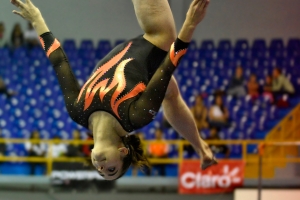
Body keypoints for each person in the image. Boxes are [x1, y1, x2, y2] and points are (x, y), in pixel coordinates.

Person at [10, 0, 217, 180]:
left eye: (100, 171)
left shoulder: (78, 111)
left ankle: (201, 146)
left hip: (143, 66)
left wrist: (36, 19)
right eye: (111, 169)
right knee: (169, 92)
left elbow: (59, 62)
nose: (101, 167)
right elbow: (167, 66)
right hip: (158, 39)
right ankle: (200, 146)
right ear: (123, 151)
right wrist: (190, 24)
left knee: (171, 96)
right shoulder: (135, 117)